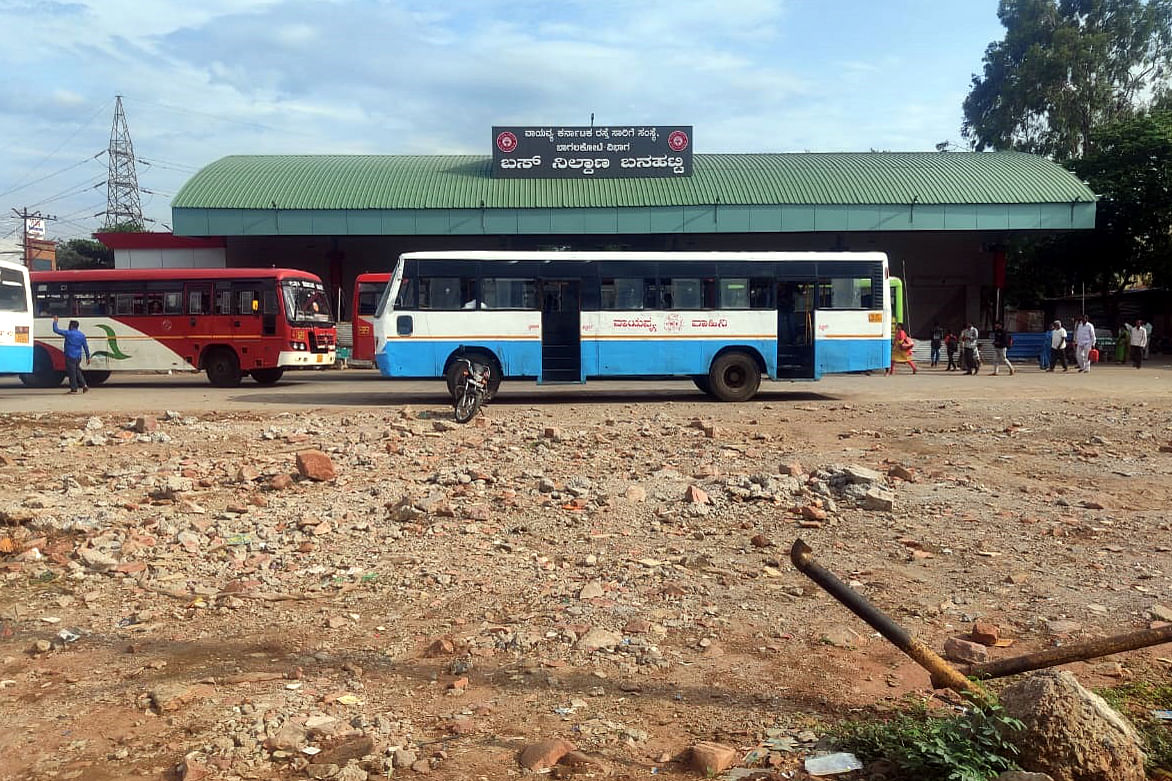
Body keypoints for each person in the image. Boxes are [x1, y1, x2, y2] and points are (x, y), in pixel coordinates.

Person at [51, 315, 91, 394]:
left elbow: (56, 330)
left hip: (70, 356)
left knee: (72, 373)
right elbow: (85, 347)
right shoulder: (82, 335)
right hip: (78, 356)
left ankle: (74, 389)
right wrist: (88, 357)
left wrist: (55, 321)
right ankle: (84, 385)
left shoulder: (68, 333)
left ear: (72, 326)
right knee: (77, 371)